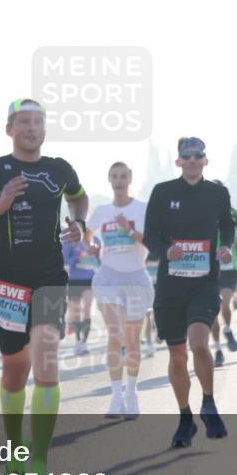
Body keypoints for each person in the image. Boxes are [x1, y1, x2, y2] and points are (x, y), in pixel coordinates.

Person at [0, 98, 88, 475]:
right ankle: (15, 450)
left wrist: (79, 221)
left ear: (44, 129)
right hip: (8, 284)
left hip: (49, 280)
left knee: (46, 361)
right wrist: (0, 204)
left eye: (38, 122)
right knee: (15, 371)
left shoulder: (59, 168)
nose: (32, 128)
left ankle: (40, 464)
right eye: (24, 122)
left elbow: (79, 196)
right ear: (10, 129)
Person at [143, 137, 234, 448]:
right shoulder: (163, 192)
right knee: (178, 356)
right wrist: (166, 251)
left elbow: (228, 225)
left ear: (205, 161)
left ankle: (208, 403)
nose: (193, 160)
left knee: (199, 343)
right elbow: (150, 235)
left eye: (198, 155)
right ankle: (185, 418)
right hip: (171, 286)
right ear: (179, 161)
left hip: (204, 283)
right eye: (187, 156)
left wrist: (226, 246)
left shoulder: (218, 193)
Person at [87, 161, 153, 419]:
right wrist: (92, 247)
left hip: (135, 278)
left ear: (130, 178)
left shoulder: (143, 209)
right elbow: (87, 234)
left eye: (123, 176)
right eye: (114, 176)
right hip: (108, 278)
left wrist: (130, 230)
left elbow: (153, 242)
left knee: (132, 340)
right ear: (109, 179)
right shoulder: (102, 211)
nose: (118, 181)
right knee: (115, 336)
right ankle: (116, 396)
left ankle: (131, 393)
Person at [209, 181, 237, 366]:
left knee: (225, 303)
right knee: (212, 311)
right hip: (209, 268)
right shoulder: (204, 212)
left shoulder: (234, 213)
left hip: (230, 267)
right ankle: (218, 350)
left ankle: (228, 329)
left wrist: (235, 242)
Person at [63, 237, 99, 355]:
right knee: (75, 314)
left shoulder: (95, 240)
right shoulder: (70, 240)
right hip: (74, 280)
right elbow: (65, 260)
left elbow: (102, 259)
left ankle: (84, 342)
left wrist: (95, 255)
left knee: (87, 311)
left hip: (89, 280)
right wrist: (77, 257)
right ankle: (78, 340)